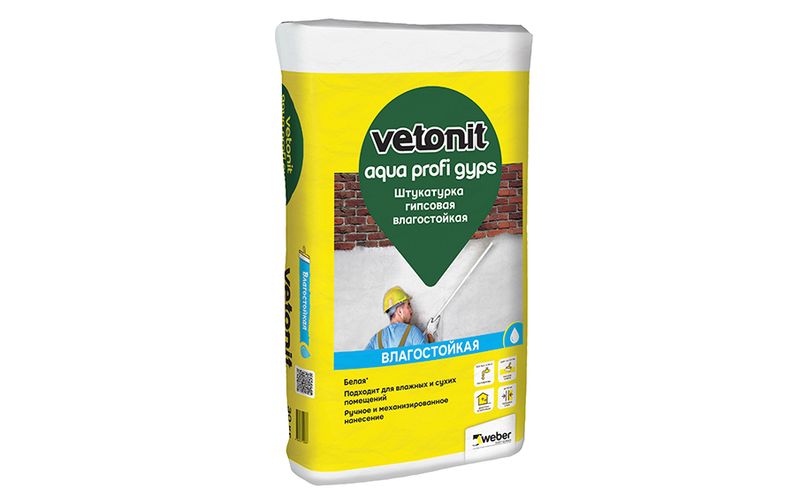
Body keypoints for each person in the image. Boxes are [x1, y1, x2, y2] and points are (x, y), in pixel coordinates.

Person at [365, 286, 439, 350]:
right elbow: (428, 358)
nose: (411, 310)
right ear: (400, 311)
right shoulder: (412, 332)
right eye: (408, 305)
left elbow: (362, 360)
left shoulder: (376, 340)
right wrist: (430, 335)